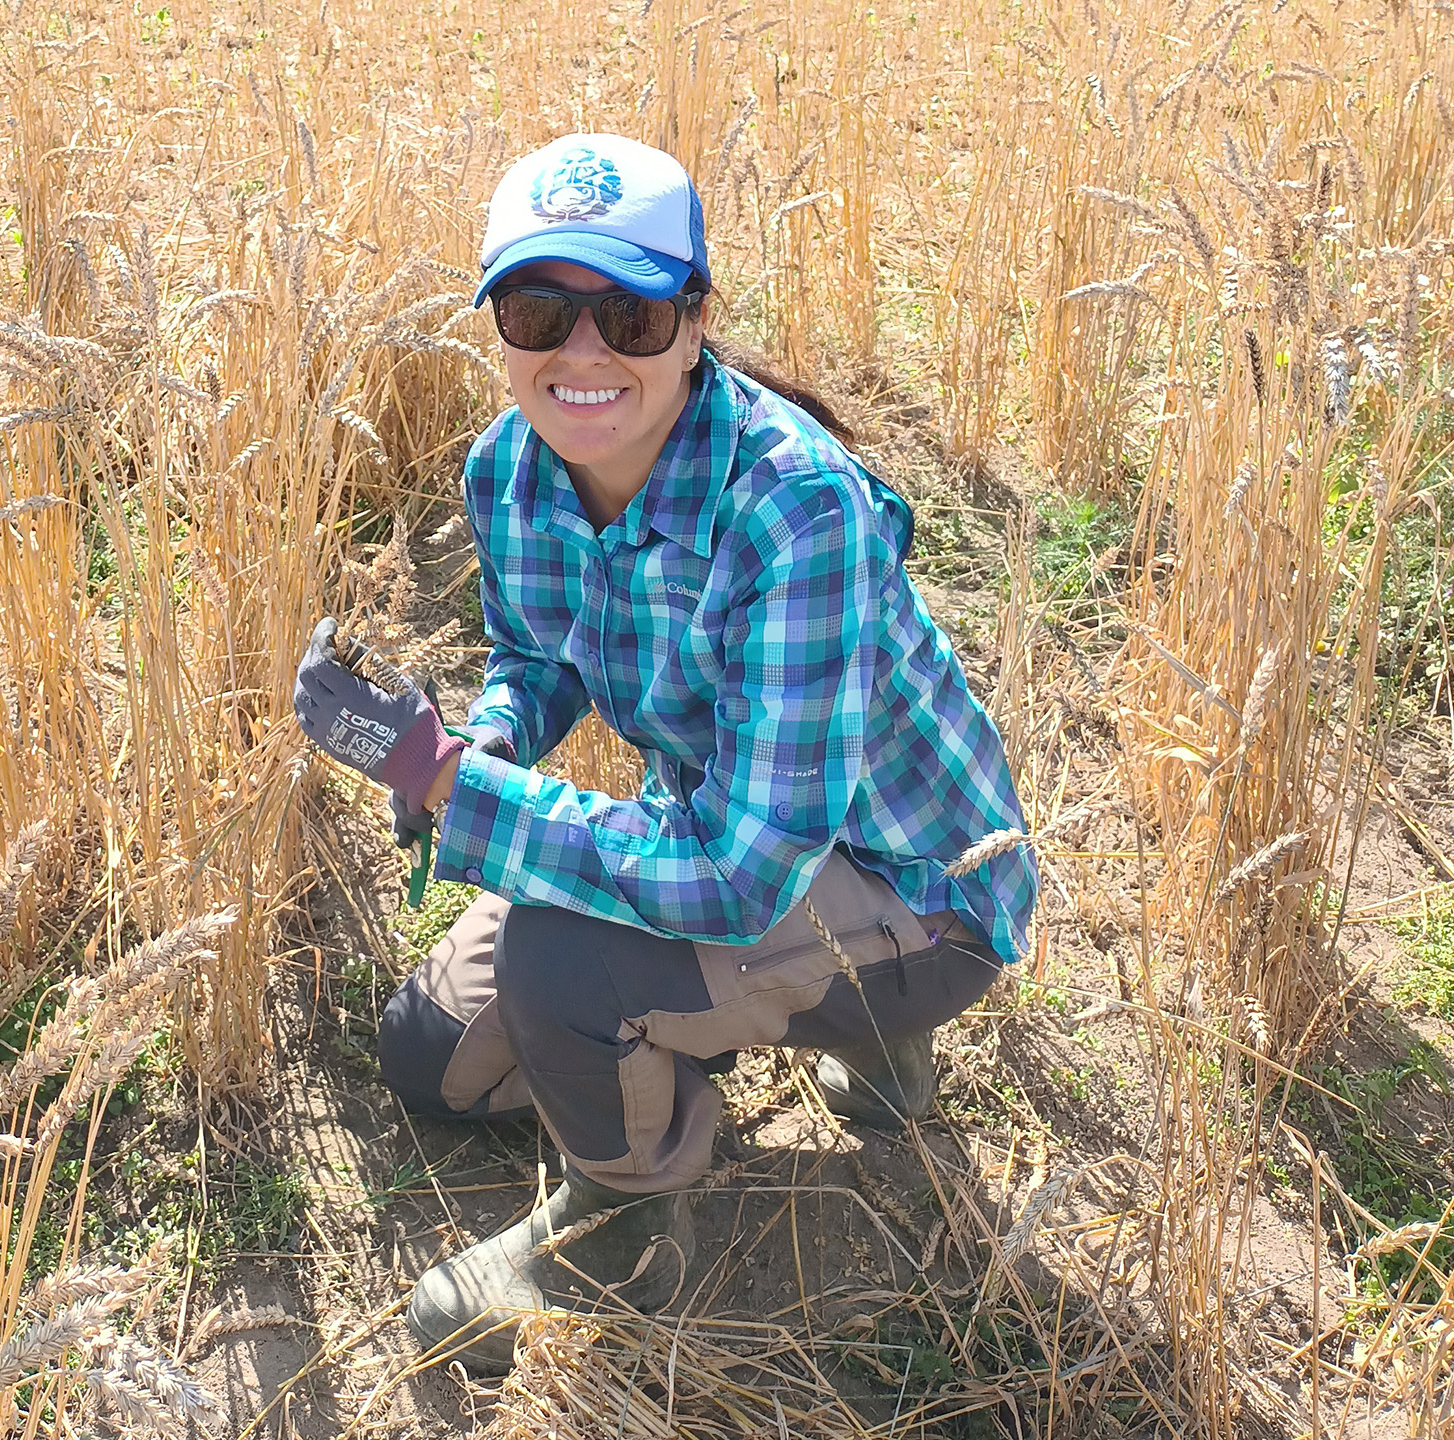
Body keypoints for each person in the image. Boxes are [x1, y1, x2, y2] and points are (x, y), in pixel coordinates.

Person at [289, 132, 1036, 1374]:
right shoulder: (511, 470)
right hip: (744, 843)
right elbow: (539, 655)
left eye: (629, 318)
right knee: (432, 1057)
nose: (581, 354)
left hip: (913, 897)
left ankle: (627, 1229)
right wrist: (476, 737)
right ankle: (767, 1038)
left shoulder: (798, 510)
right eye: (540, 311)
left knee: (561, 965)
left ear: (693, 324)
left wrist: (444, 786)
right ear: (499, 328)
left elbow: (739, 878)